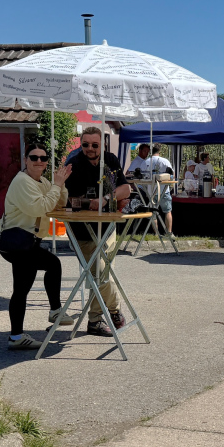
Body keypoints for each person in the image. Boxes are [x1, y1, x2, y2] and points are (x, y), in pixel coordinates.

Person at [0, 144, 74, 350]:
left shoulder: (43, 182)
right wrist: (56, 186)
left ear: (47, 161)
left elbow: (58, 204)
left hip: (27, 242)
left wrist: (60, 185)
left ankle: (16, 336)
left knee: (22, 288)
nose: (39, 161)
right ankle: (55, 311)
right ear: (25, 160)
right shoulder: (22, 181)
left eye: (43, 158)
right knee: (52, 264)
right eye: (34, 157)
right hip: (16, 242)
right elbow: (41, 207)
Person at [65, 127, 131, 337]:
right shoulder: (74, 164)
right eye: (85, 145)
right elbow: (69, 200)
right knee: (99, 274)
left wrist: (105, 199)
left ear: (102, 145)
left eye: (95, 145)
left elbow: (126, 189)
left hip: (107, 228)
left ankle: (94, 321)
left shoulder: (110, 160)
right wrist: (88, 202)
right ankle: (115, 309)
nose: (90, 149)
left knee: (100, 274)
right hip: (83, 231)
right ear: (81, 144)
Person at [142, 144, 175, 239]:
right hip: (164, 190)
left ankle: (156, 234)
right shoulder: (165, 161)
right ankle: (169, 232)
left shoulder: (145, 162)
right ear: (159, 151)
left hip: (151, 191)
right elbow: (172, 175)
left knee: (153, 213)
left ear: (150, 151)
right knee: (167, 211)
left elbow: (142, 176)